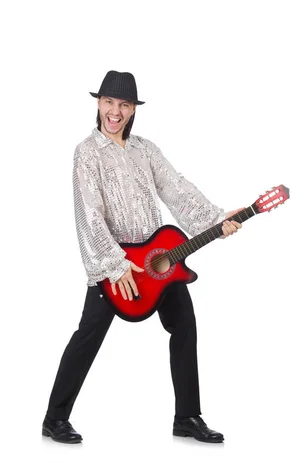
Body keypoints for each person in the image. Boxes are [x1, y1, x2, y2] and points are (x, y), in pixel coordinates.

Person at [42, 70, 242, 444]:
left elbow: (176, 188)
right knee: (88, 336)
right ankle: (54, 419)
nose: (115, 111)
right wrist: (116, 264)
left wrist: (217, 218)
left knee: (185, 325)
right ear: (98, 104)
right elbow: (89, 213)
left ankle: (187, 416)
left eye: (124, 105)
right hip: (116, 269)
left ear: (133, 110)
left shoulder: (145, 149)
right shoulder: (87, 153)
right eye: (109, 102)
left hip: (158, 262)